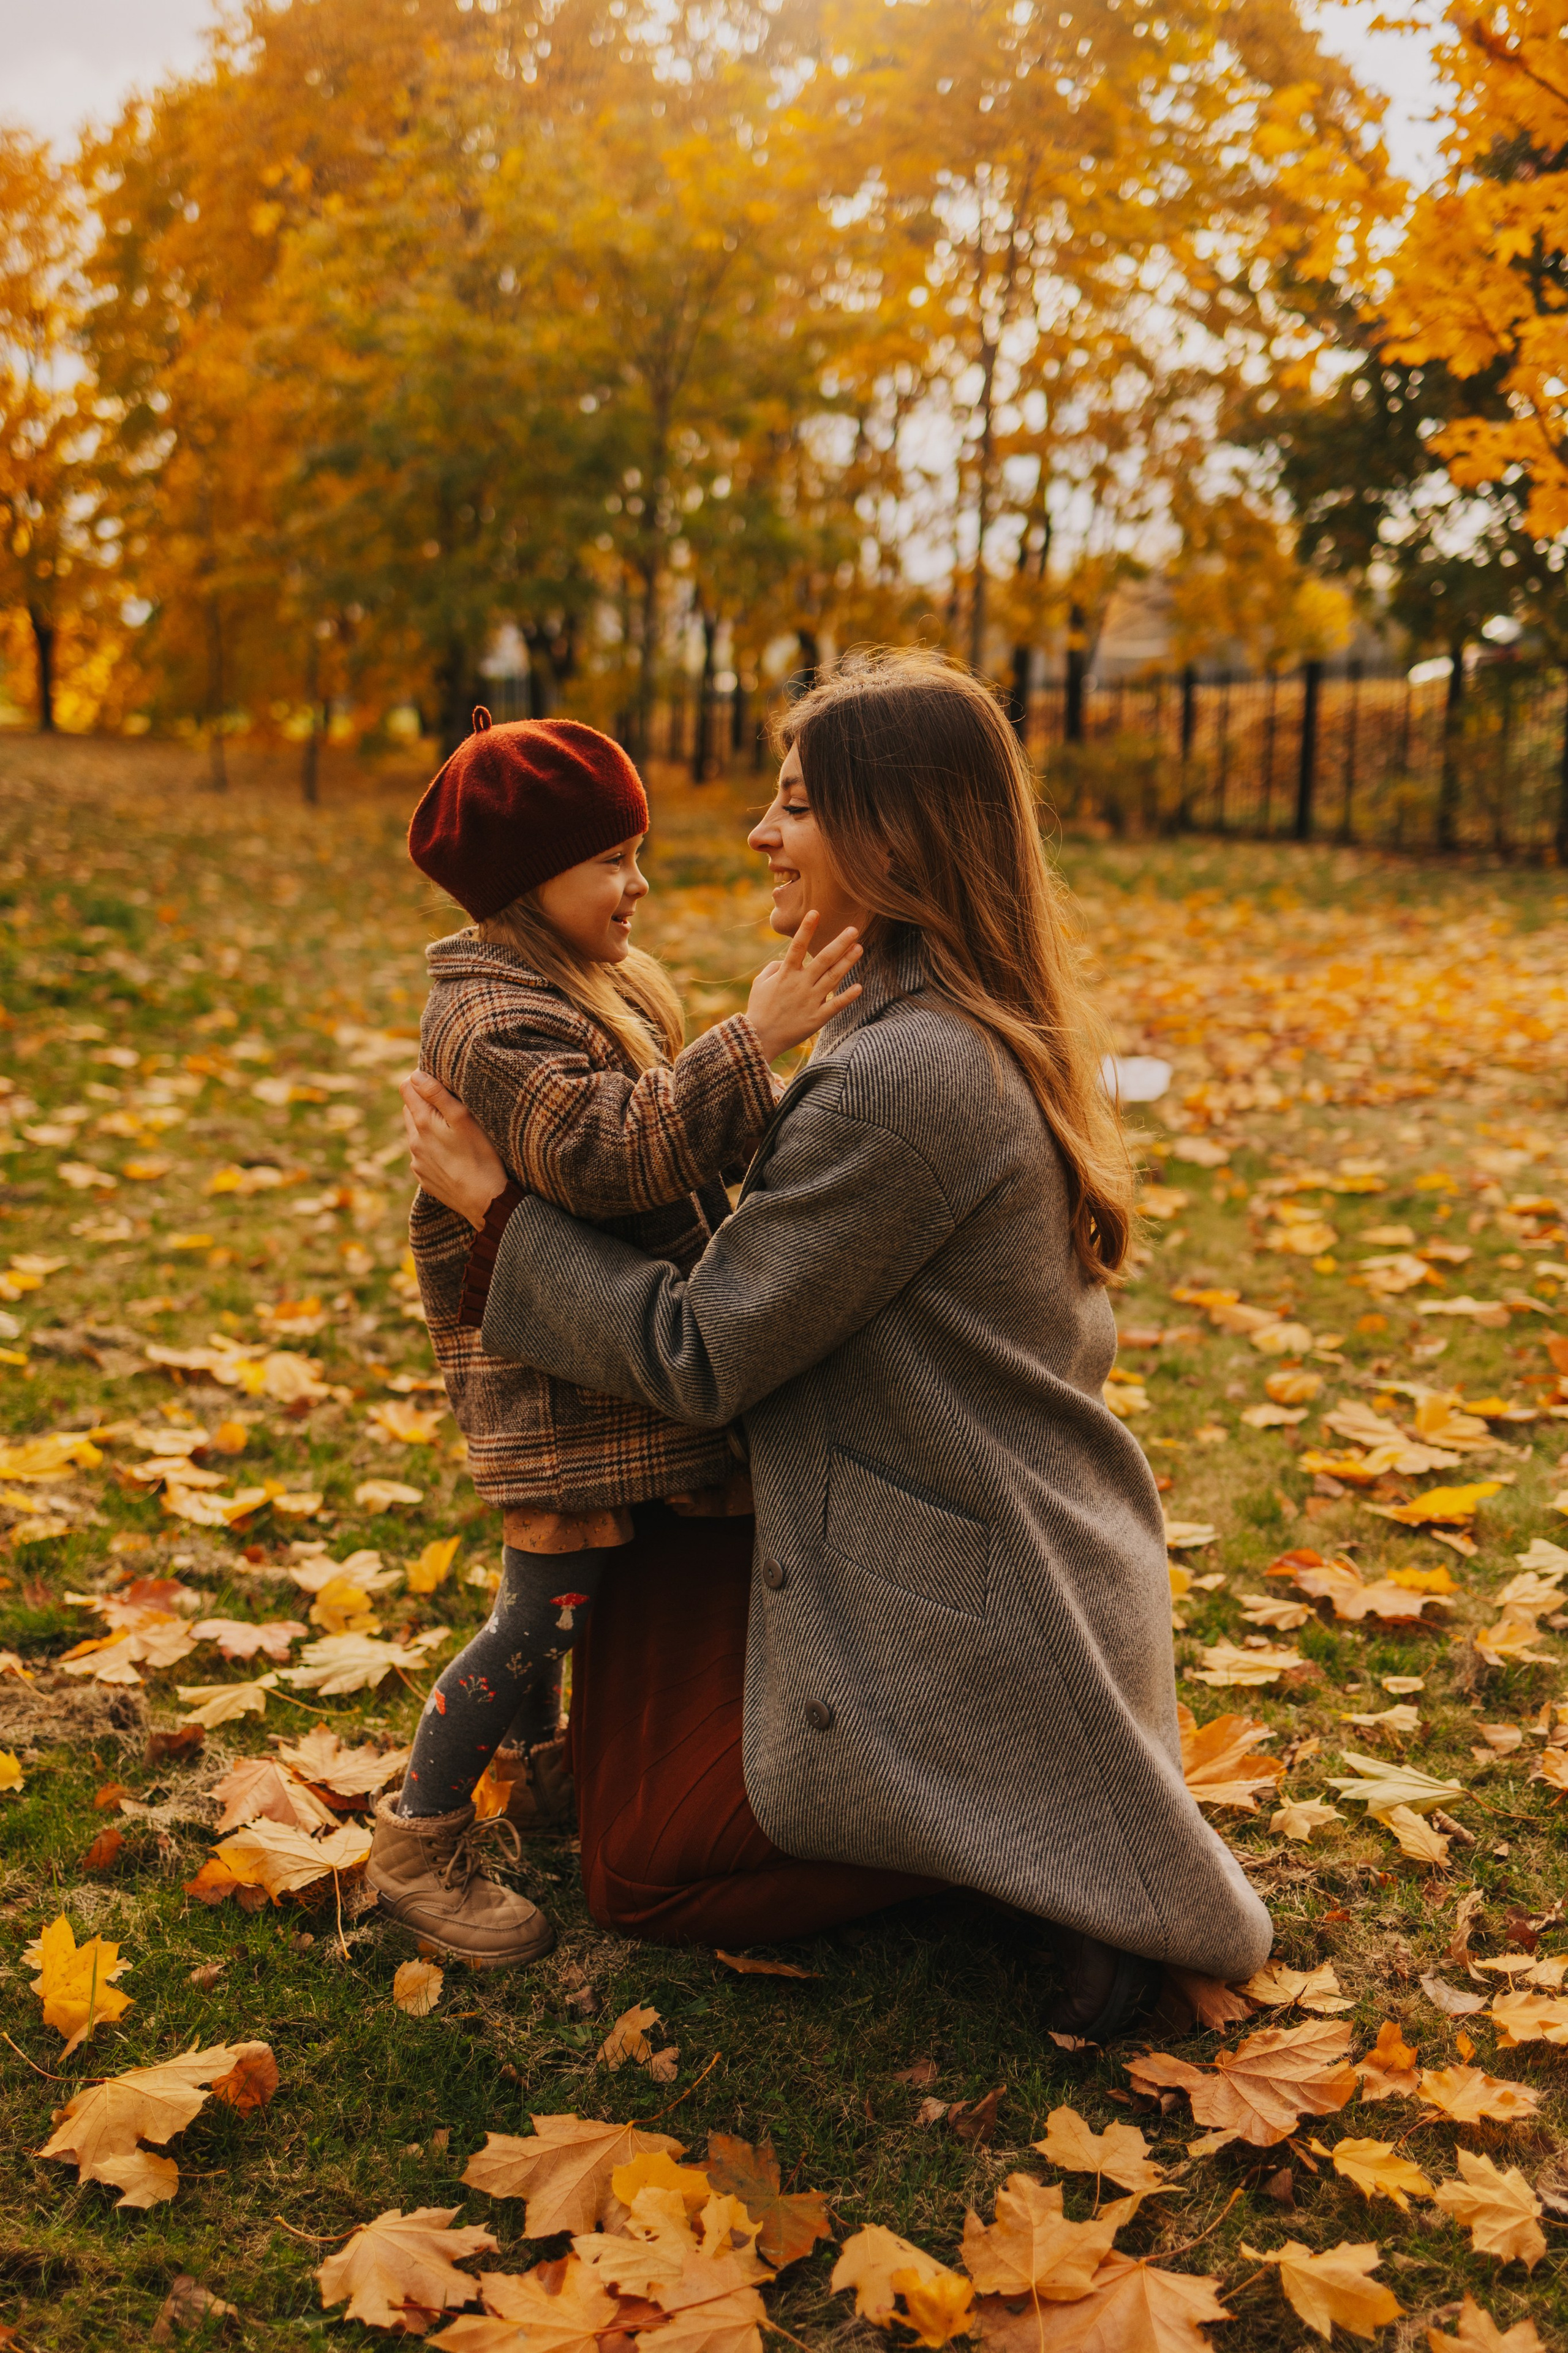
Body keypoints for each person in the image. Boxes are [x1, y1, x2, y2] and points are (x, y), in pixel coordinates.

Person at [402, 653, 1273, 2038]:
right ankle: (979, 1803)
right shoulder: (928, 1014)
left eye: (793, 804)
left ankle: (1009, 1846)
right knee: (621, 1727)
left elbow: (695, 1350)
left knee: (639, 1871)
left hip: (949, 1575)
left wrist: (495, 1212)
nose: (755, 834)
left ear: (890, 832)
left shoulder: (898, 1073)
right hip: (952, 1513)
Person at [367, 708, 863, 1965]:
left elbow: (678, 1151)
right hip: (550, 1378)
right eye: (610, 861)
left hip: (597, 1366)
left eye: (634, 853)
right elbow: (606, 1153)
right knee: (541, 1606)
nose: (637, 884)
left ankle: (540, 1776)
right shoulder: (489, 1025)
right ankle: (417, 1836)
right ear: (526, 883)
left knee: (565, 1590)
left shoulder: (593, 983)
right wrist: (752, 1041)